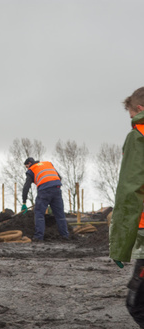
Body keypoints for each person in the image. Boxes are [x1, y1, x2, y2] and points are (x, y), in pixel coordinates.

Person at [109, 86, 144, 328]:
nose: (131, 121)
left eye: (131, 115)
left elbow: (131, 191)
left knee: (138, 305)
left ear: (139, 110)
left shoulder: (138, 135)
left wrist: (120, 246)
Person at [21, 157, 69, 242]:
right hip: (57, 188)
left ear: (29, 163)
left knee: (39, 213)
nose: (27, 168)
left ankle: (38, 237)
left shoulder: (32, 169)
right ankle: (65, 236)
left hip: (44, 190)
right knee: (60, 214)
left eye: (26, 166)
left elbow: (26, 187)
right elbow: (59, 177)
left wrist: (24, 202)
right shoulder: (48, 164)